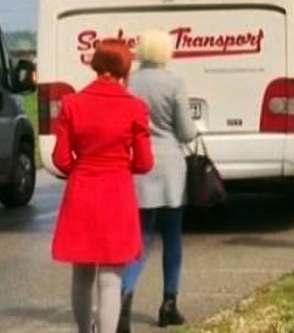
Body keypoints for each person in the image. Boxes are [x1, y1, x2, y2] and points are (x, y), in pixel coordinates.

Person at [51, 39, 153, 333]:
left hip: (81, 190)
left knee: (81, 274)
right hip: (117, 192)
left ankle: (85, 330)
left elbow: (60, 158)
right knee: (112, 277)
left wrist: (81, 169)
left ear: (96, 63)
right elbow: (145, 163)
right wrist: (120, 167)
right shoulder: (135, 107)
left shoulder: (72, 103)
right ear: (124, 67)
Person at [118, 29, 198, 333]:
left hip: (136, 166)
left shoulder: (129, 83)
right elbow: (186, 132)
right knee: (172, 236)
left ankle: (124, 302)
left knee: (137, 239)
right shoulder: (174, 83)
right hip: (169, 169)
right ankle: (168, 304)